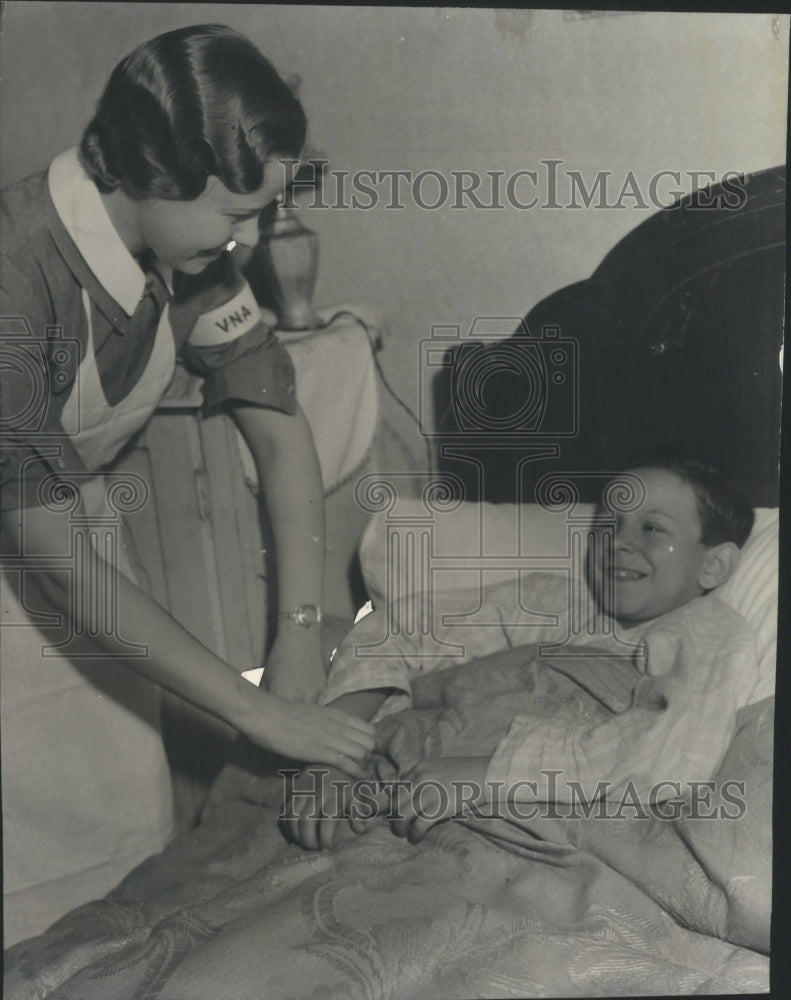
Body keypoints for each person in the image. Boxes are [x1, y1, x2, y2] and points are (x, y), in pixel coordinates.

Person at [0, 24, 374, 945]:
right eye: (233, 214)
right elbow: (50, 554)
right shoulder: (17, 277)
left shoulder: (190, 258)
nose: (249, 241)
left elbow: (281, 433)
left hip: (76, 563)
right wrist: (256, 713)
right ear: (149, 174)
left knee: (123, 856)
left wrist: (295, 639)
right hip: (52, 554)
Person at [284, 455, 758, 849]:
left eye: (652, 529)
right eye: (608, 524)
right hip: (405, 777)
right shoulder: (552, 603)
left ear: (714, 565)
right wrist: (331, 756)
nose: (619, 542)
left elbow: (673, 751)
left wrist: (486, 776)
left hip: (517, 816)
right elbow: (397, 632)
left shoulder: (707, 631)